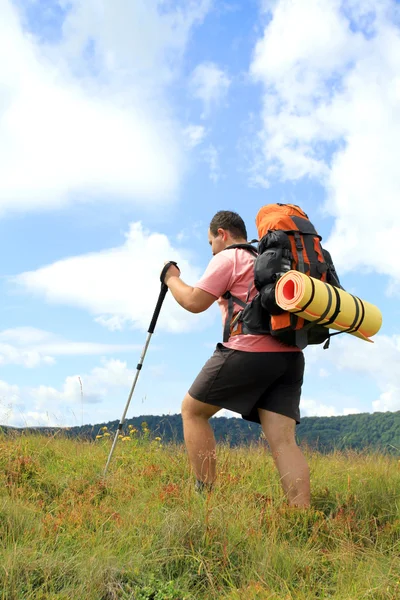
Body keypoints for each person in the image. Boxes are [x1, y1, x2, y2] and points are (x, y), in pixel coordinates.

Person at [162, 210, 310, 508]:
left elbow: (193, 301)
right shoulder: (271, 260)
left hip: (249, 350)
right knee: (282, 440)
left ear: (222, 234)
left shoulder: (229, 257)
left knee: (193, 411)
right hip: (291, 356)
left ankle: (204, 501)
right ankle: (302, 516)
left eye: (210, 242)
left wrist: (171, 278)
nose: (212, 248)